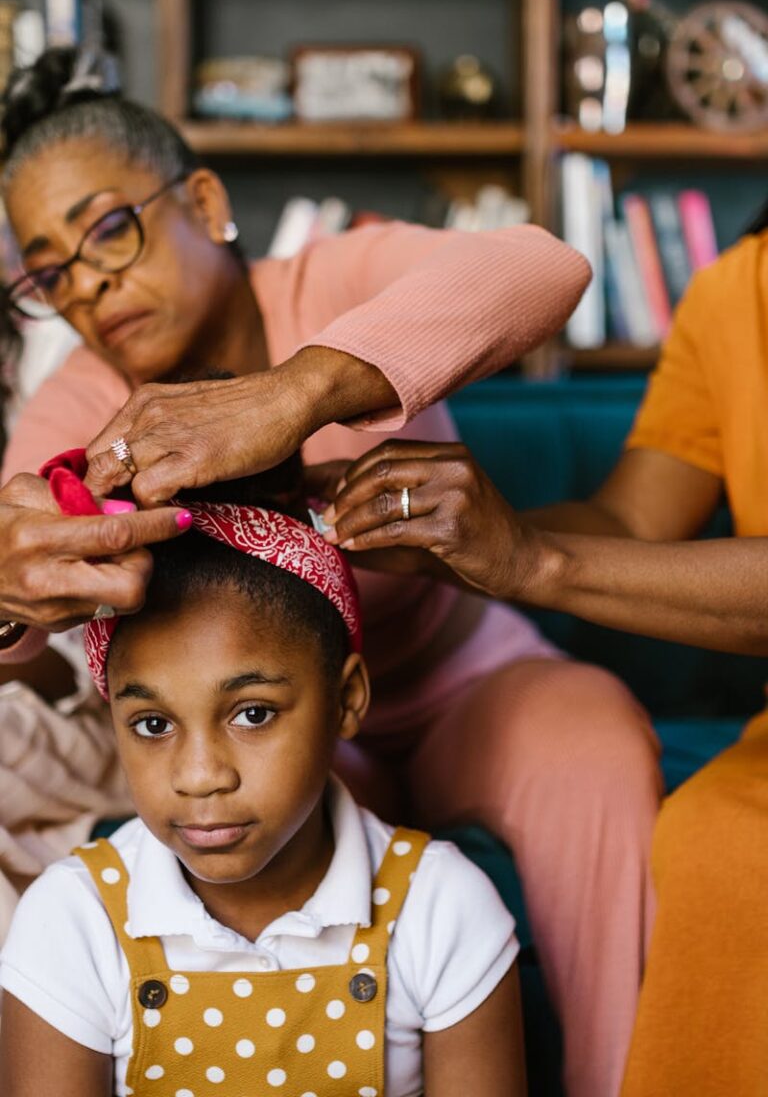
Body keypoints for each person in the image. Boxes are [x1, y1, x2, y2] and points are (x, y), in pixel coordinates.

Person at [0, 46, 662, 1097]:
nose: (90, 285)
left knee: (595, 745)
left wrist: (296, 395)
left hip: (465, 676)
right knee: (257, 820)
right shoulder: (78, 411)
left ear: (204, 200)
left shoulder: (328, 284)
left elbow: (543, 265)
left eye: (108, 231)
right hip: (274, 718)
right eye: (50, 271)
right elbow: (39, 633)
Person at [314, 209, 768, 1096]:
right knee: (718, 841)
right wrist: (441, 538)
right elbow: (635, 522)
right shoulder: (731, 292)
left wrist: (533, 560)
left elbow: (526, 269)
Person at [0, 453, 525, 1097]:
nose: (199, 777)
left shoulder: (439, 908)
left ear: (348, 700)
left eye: (252, 713)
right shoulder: (74, 918)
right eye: (153, 725)